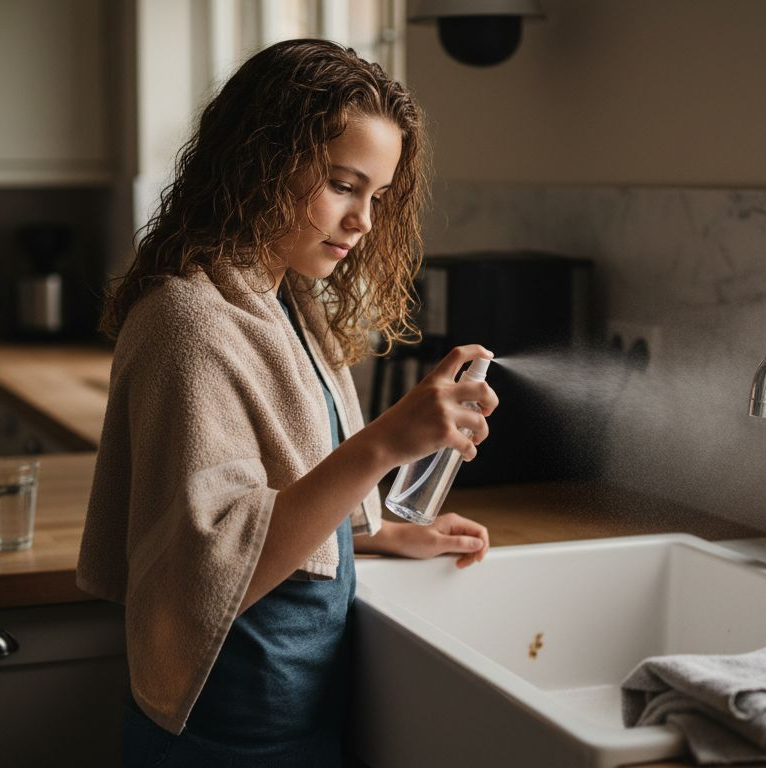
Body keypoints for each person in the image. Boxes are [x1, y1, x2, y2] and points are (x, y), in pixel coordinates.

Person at [76, 39, 499, 766]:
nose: (364, 219)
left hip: (297, 704)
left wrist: (370, 534)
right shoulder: (188, 322)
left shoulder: (291, 304)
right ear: (259, 162)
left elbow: (277, 500)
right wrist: (386, 444)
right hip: (227, 724)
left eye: (379, 195)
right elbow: (209, 568)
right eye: (343, 184)